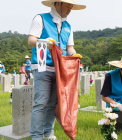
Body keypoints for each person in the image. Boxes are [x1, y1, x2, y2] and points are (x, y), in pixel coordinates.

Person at [28, 0, 85, 140]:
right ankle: (36, 136)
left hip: (60, 68)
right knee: (41, 102)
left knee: (53, 103)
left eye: (71, 7)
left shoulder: (68, 26)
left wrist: (74, 55)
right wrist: (44, 42)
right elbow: (31, 40)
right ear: (58, 3)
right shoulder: (40, 18)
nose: (70, 9)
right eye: (68, 6)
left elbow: (69, 47)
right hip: (42, 66)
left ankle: (48, 133)